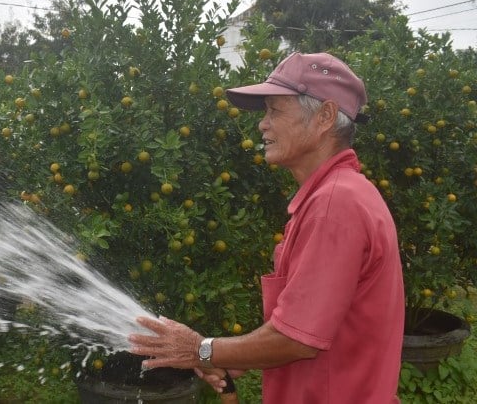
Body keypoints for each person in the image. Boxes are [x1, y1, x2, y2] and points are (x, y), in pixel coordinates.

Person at [128, 52, 405, 403]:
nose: (262, 124)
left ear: (325, 116)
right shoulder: (338, 195)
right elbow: (298, 326)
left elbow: (297, 340)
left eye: (275, 110)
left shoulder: (336, 206)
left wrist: (201, 350)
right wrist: (226, 355)